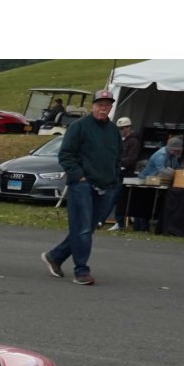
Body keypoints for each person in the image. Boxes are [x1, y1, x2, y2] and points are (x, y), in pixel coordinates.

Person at [40, 89, 121, 286]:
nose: (103, 108)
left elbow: (118, 156)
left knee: (87, 229)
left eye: (107, 105)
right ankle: (81, 270)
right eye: (100, 105)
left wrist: (114, 178)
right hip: (82, 185)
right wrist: (79, 177)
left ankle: (55, 256)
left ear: (111, 107)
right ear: (92, 106)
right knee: (82, 228)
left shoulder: (113, 131)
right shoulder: (79, 127)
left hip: (107, 186)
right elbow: (66, 154)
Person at [109, 115, 140, 230]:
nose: (121, 131)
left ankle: (120, 221)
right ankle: (119, 220)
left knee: (119, 197)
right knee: (117, 197)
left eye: (122, 128)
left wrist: (120, 163)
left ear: (128, 128)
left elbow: (132, 158)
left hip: (126, 173)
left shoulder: (133, 141)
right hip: (119, 172)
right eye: (119, 129)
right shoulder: (122, 141)